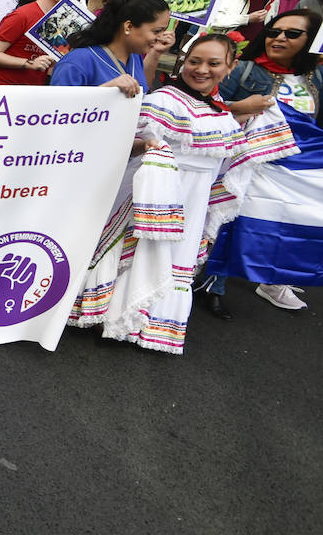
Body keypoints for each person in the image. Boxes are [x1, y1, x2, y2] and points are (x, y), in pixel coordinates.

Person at [68, 34, 294, 352]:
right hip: (151, 197)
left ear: (230, 68)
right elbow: (121, 144)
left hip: (192, 201)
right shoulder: (163, 101)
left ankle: (144, 325)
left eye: (213, 63)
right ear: (182, 63)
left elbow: (228, 159)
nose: (201, 69)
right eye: (194, 61)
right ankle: (110, 316)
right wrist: (147, 146)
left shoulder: (221, 115)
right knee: (138, 253)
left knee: (175, 259)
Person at [203, 8, 323, 314]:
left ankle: (273, 280)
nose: (279, 38)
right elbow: (205, 105)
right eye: (273, 31)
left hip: (294, 170)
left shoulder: (316, 76)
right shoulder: (244, 69)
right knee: (231, 221)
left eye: (292, 34)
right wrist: (240, 106)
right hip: (244, 161)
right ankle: (213, 284)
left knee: (286, 223)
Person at [50, 0, 167, 98]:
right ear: (128, 27)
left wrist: (155, 54)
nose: (161, 37)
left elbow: (142, 92)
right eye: (156, 31)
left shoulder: (135, 56)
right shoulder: (77, 62)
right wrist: (106, 90)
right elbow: (54, 110)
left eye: (164, 30)